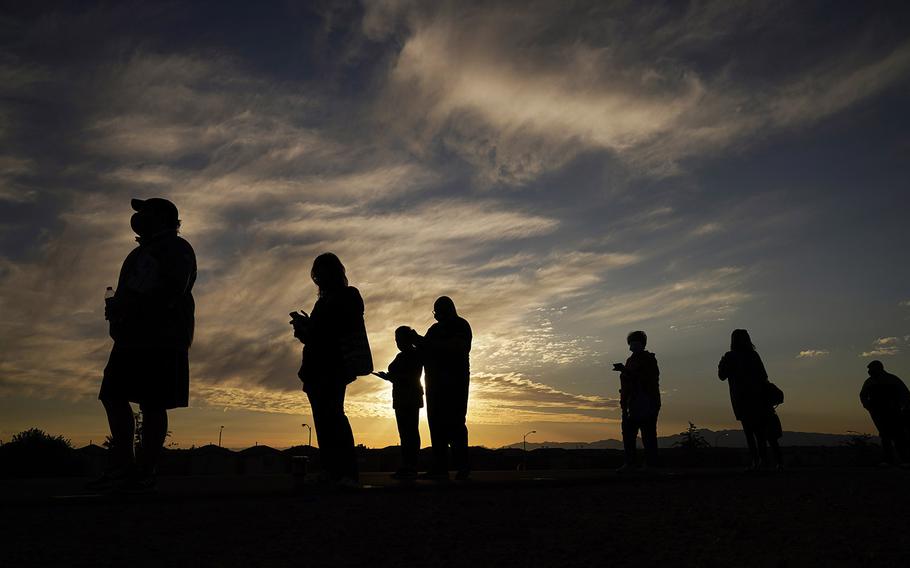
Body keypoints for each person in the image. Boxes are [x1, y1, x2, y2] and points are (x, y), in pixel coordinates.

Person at [90, 198, 197, 492]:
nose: (137, 217)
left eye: (144, 212)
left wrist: (131, 307)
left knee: (152, 403)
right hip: (130, 337)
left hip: (162, 338)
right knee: (113, 395)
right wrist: (118, 315)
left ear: (161, 217)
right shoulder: (137, 253)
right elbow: (127, 293)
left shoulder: (178, 249)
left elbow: (172, 290)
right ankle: (124, 466)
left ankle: (144, 469)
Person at [292, 253, 369, 488]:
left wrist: (313, 327)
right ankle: (331, 470)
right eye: (317, 272)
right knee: (324, 421)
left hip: (333, 366)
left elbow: (338, 328)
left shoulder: (348, 295)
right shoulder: (322, 302)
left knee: (334, 417)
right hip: (316, 366)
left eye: (322, 271)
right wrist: (303, 329)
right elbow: (316, 336)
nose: (318, 277)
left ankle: (347, 473)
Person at [413, 296, 472, 480]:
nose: (436, 315)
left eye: (437, 311)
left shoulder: (461, 325)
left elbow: (458, 347)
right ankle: (440, 467)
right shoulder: (434, 329)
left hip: (455, 384)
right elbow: (424, 352)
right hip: (434, 384)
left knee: (456, 424)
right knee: (436, 425)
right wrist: (415, 342)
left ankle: (462, 466)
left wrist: (424, 343)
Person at [718, 329, 783, 470]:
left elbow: (721, 376)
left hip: (741, 399)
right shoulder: (753, 356)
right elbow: (764, 376)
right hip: (758, 398)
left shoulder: (730, 357)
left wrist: (722, 362)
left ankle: (757, 461)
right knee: (762, 432)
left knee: (750, 431)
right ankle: (769, 461)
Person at [374, 326, 424, 479]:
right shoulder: (405, 356)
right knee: (406, 433)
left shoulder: (414, 355)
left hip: (409, 396)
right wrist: (389, 377)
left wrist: (390, 377)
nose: (397, 342)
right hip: (403, 396)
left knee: (410, 432)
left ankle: (411, 466)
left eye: (398, 339)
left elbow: (407, 376)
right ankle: (408, 465)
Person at [614, 331, 661, 470]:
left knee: (648, 434)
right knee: (628, 434)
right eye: (631, 343)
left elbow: (646, 378)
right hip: (630, 403)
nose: (632, 346)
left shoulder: (649, 360)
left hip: (647, 402)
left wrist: (626, 371)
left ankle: (651, 464)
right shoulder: (630, 360)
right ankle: (630, 463)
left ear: (642, 344)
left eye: (635, 342)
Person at [860, 360, 910, 466]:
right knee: (885, 436)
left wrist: (903, 408)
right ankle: (888, 460)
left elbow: (905, 394)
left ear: (878, 369)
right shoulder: (869, 382)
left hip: (894, 412)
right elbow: (863, 395)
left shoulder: (892, 380)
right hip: (879, 413)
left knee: (898, 436)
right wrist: (868, 406)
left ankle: (905, 460)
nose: (869, 371)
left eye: (871, 369)